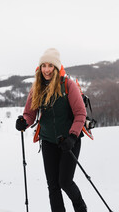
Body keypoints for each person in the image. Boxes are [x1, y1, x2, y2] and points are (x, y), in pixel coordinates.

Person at [16, 48, 87, 212]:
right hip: (48, 141)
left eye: (50, 66)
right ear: (40, 68)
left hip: (69, 141)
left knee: (65, 181)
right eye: (43, 66)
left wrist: (72, 136)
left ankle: (81, 208)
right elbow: (29, 114)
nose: (46, 69)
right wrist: (23, 122)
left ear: (56, 68)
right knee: (53, 186)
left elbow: (80, 113)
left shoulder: (68, 85)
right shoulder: (37, 88)